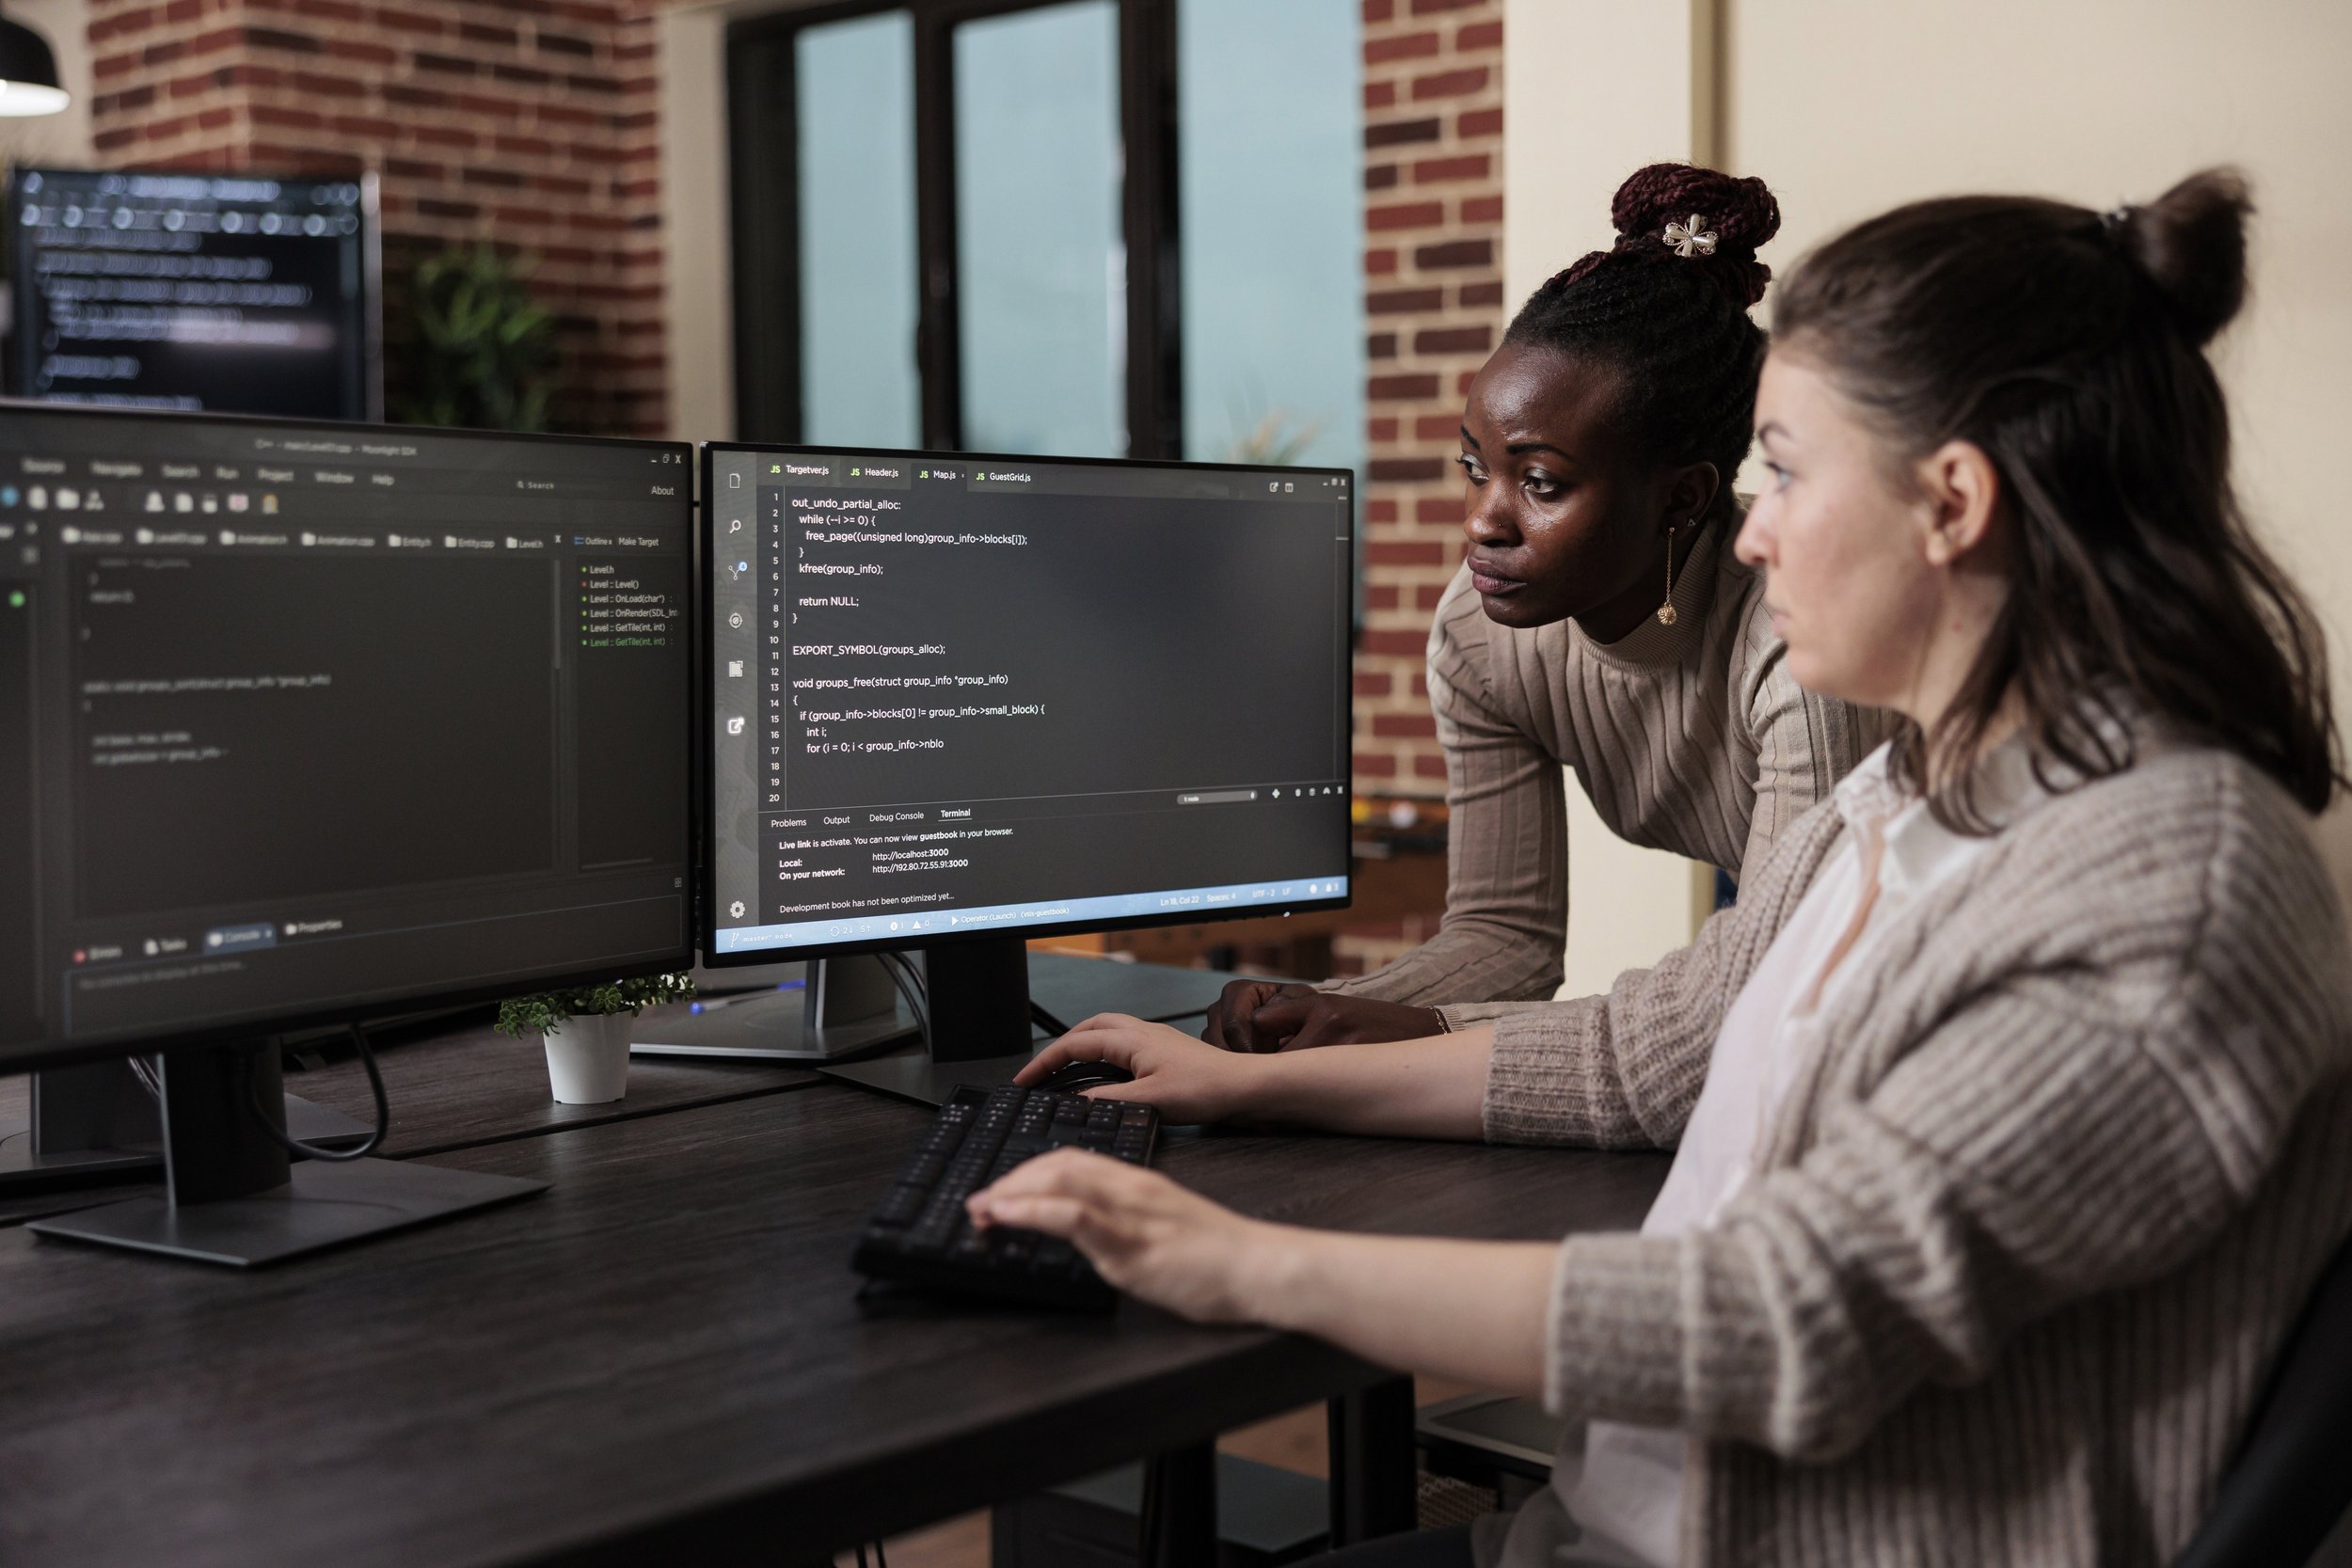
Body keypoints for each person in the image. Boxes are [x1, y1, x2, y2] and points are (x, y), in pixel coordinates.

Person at [974, 169, 2352, 1566]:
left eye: (1791, 472)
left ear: (1951, 502)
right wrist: (1266, 1083)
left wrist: (1238, 1259)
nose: (1751, 529)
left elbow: (1786, 1310)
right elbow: (1654, 1050)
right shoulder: (1913, 791)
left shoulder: (2170, 885)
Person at [1207, 165, 1886, 1054]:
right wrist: (1324, 1007)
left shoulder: (1798, 635)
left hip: (1946, 928)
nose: (1482, 522)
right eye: (1473, 466)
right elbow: (1503, 935)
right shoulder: (1478, 633)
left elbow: (1758, 1002)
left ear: (1681, 500)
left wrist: (1426, 1031)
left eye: (1540, 482)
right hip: (1771, 911)